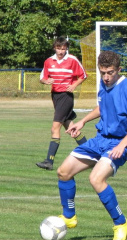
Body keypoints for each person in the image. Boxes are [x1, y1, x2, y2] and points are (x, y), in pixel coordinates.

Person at [56, 50, 127, 240]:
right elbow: (102, 107)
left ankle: (121, 223)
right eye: (103, 72)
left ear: (119, 70)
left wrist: (122, 145)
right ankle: (69, 217)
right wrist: (82, 122)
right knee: (63, 172)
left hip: (119, 142)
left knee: (96, 179)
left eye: (110, 73)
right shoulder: (104, 85)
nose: (106, 77)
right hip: (100, 140)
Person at [36, 36, 88, 171]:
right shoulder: (49, 61)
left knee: (55, 128)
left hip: (66, 97)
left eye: (63, 49)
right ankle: (92, 152)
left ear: (66, 49)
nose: (61, 52)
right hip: (55, 96)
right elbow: (42, 77)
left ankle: (49, 161)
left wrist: (74, 85)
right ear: (55, 48)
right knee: (71, 128)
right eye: (59, 49)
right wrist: (45, 81)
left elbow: (83, 76)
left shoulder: (72, 60)